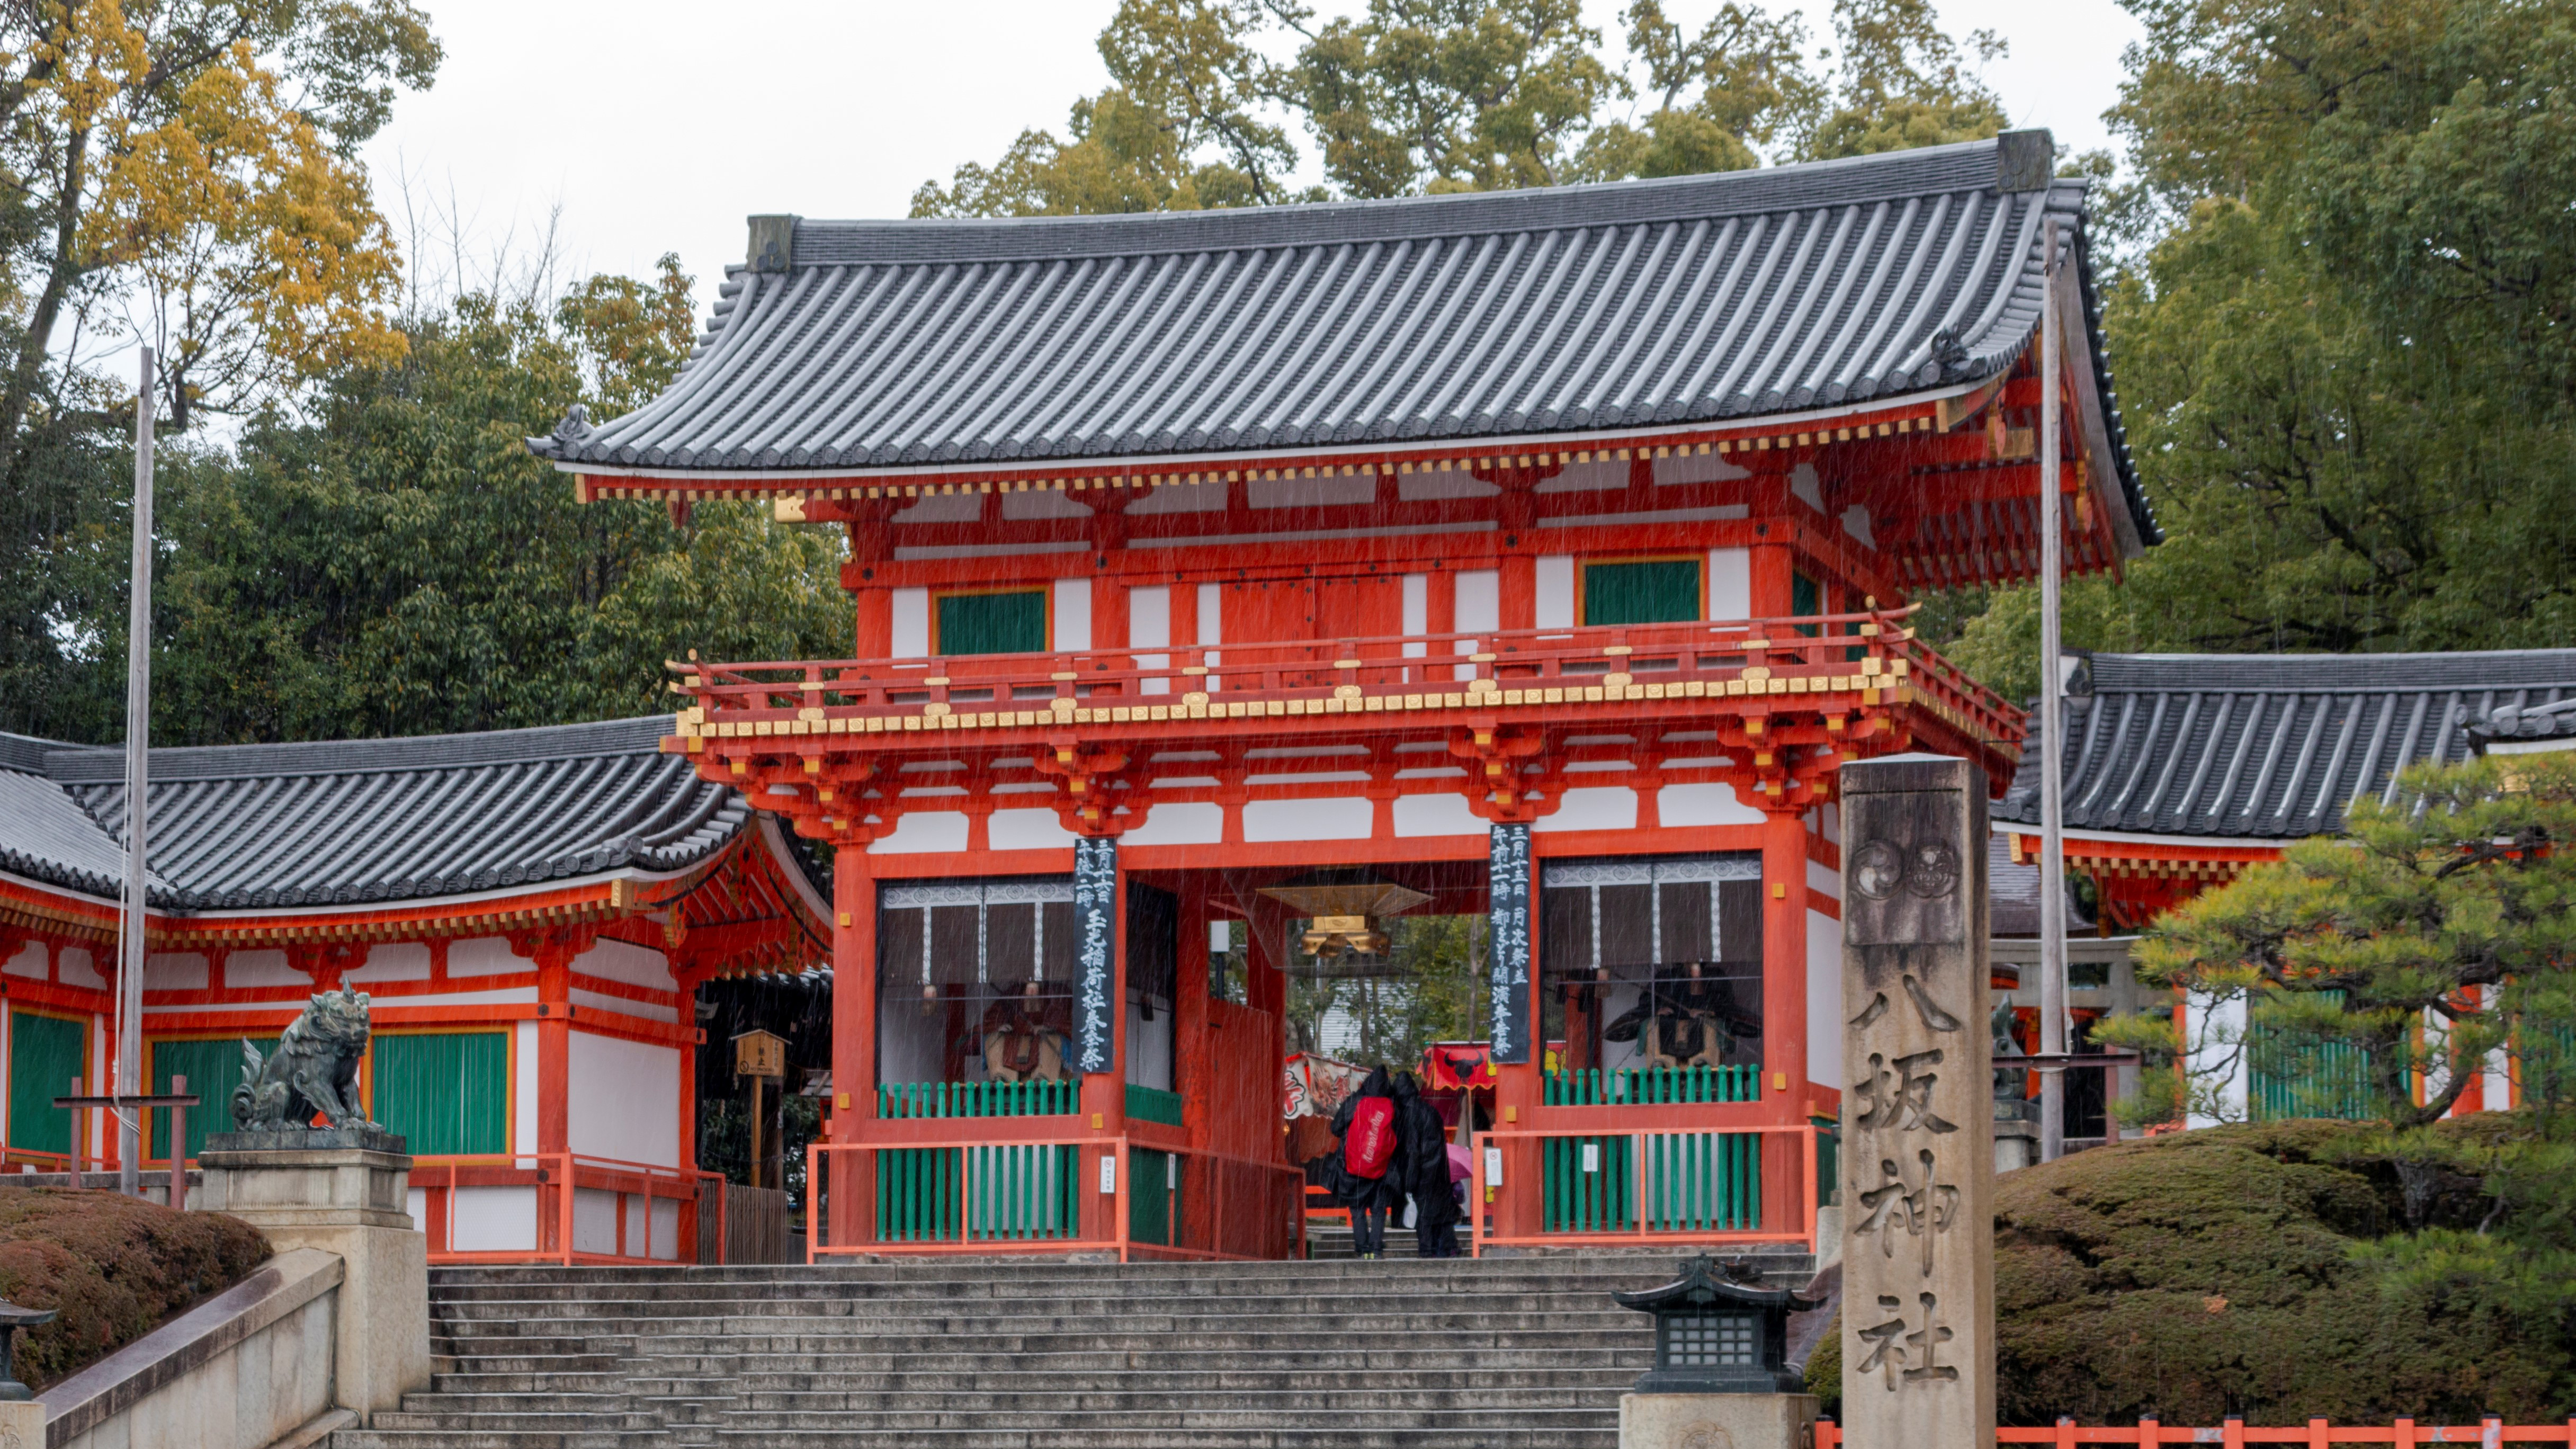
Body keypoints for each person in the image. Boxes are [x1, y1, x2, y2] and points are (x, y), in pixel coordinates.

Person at [1329, 1065, 1402, 1258]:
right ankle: (1377, 1249)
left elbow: (1335, 1128)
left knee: (1357, 1209)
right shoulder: (1392, 1105)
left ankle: (1363, 1250)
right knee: (1378, 1211)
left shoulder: (1355, 1102)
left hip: (1353, 1166)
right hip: (1382, 1166)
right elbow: (1398, 1138)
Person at [1390, 1071, 1462, 1257]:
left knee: (1423, 1216)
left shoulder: (1408, 1116)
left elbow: (1412, 1150)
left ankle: (1427, 1251)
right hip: (1439, 1171)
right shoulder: (1431, 1111)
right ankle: (1448, 1248)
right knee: (1441, 1213)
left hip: (1421, 1174)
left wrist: (1409, 1180)